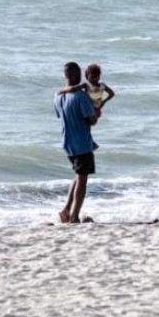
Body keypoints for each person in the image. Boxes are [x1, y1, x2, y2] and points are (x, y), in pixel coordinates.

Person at [54, 61, 98, 224]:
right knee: (83, 179)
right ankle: (74, 215)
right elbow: (92, 120)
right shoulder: (81, 96)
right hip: (81, 142)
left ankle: (66, 209)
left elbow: (60, 115)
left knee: (78, 176)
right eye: (79, 73)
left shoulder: (58, 96)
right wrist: (96, 110)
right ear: (74, 75)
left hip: (67, 142)